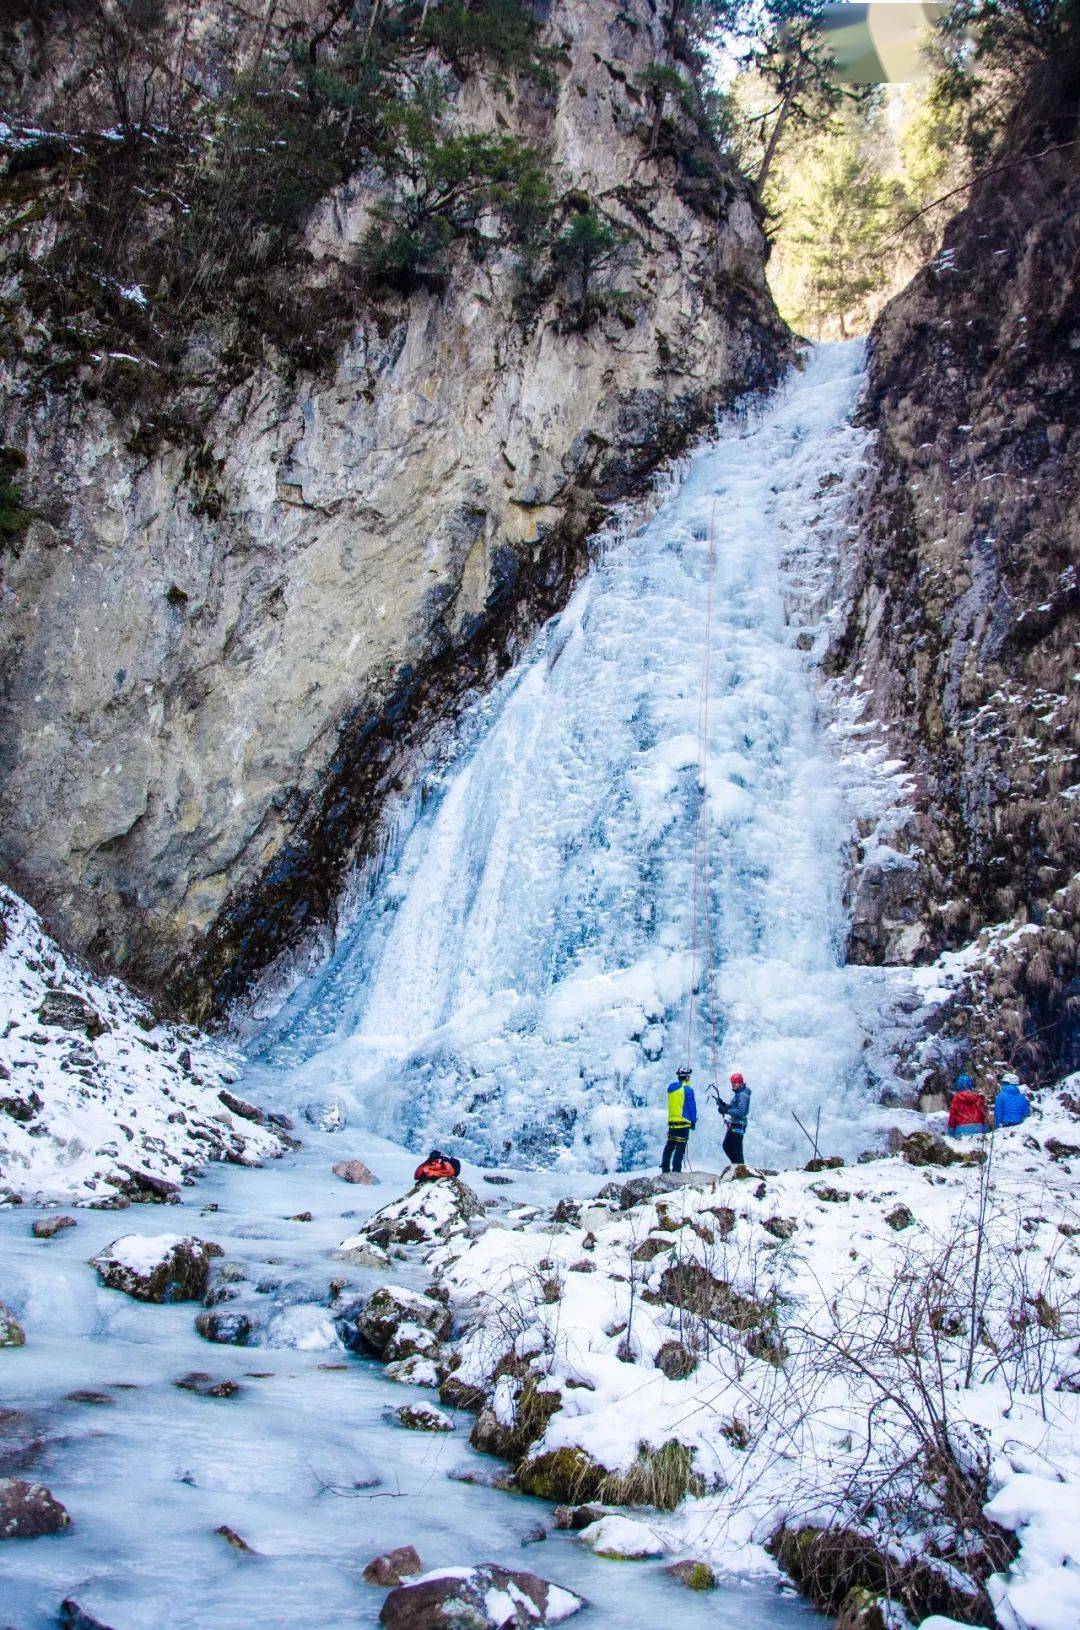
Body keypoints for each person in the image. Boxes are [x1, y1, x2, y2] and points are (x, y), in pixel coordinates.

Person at [661, 1066, 697, 1173]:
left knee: (670, 1146)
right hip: (683, 1123)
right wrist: (693, 1121)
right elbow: (692, 1108)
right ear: (686, 1077)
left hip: (672, 1123)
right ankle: (676, 1171)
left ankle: (665, 1169)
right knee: (680, 1149)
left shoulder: (672, 1090)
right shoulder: (687, 1090)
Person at [715, 1071, 751, 1167]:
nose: (733, 1085)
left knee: (735, 1149)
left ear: (740, 1083)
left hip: (738, 1125)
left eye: (735, 1083)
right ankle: (737, 1167)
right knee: (728, 1146)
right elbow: (733, 1107)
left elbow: (740, 1111)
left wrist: (725, 1110)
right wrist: (723, 1104)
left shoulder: (742, 1095)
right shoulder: (739, 1094)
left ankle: (740, 1169)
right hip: (735, 1125)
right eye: (732, 1083)